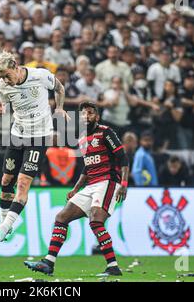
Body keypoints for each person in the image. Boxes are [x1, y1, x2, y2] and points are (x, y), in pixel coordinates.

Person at [25, 101, 129, 277]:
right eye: (83, 113)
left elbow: (123, 158)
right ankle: (48, 262)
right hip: (91, 184)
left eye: (90, 113)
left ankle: (113, 266)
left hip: (107, 182)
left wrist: (124, 185)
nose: (86, 116)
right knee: (61, 217)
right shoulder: (81, 139)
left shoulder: (106, 132)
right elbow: (87, 168)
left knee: (96, 220)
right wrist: (75, 189)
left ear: (97, 116)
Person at [0, 51, 69, 243]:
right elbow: (0, 109)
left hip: (39, 137)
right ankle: (3, 224)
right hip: (17, 135)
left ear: (15, 66)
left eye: (7, 75)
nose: (5, 80)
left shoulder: (39, 75)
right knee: (7, 180)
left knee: (22, 183)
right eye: (1, 77)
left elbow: (59, 87)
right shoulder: (2, 86)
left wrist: (59, 108)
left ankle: (4, 228)